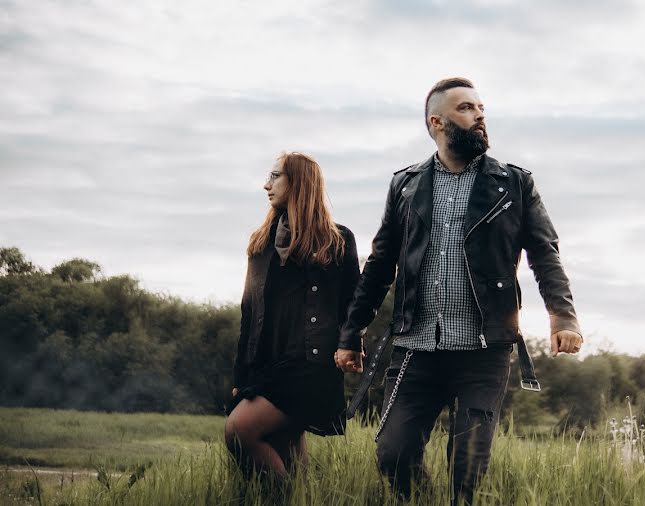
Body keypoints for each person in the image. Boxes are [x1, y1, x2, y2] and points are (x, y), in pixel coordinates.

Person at [335, 77, 583, 505]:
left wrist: (563, 316)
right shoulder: (405, 185)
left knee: (467, 464)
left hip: (483, 350)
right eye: (467, 109)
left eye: (481, 109)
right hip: (417, 347)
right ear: (437, 123)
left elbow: (545, 254)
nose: (480, 117)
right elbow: (379, 264)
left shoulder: (514, 184)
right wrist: (351, 331)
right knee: (392, 453)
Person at [225, 151, 360, 484]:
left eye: (275, 176)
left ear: (298, 182)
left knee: (238, 432)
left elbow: (354, 305)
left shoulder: (337, 241)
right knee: (285, 448)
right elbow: (249, 313)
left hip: (310, 368)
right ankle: (299, 497)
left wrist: (352, 344)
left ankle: (283, 498)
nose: (266, 185)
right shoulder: (261, 244)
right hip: (266, 366)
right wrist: (240, 376)